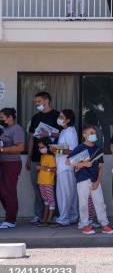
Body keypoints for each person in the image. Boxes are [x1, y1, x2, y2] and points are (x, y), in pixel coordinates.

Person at [69, 125, 113, 235]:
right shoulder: (80, 148)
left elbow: (101, 167)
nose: (93, 135)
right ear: (84, 135)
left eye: (94, 133)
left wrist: (98, 181)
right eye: (91, 133)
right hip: (83, 179)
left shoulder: (98, 149)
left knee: (100, 202)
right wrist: (84, 164)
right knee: (83, 203)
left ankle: (104, 225)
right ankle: (85, 225)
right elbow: (69, 162)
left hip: (95, 180)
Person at [27, 91, 61, 225]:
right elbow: (31, 138)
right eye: (35, 102)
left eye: (38, 101)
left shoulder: (58, 116)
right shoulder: (35, 118)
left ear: (47, 101)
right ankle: (39, 215)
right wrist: (29, 157)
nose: (36, 104)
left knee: (54, 187)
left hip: (54, 157)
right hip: (36, 157)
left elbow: (63, 135)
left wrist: (50, 133)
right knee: (38, 187)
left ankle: (54, 215)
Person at [52, 109, 79, 227]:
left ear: (68, 120)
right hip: (62, 166)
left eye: (62, 117)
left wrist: (56, 150)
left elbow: (73, 150)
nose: (59, 118)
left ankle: (64, 218)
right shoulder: (64, 131)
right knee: (69, 192)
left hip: (66, 167)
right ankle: (72, 216)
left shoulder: (70, 131)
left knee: (64, 193)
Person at [0, 108, 25, 229]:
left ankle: (11, 220)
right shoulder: (3, 129)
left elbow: (20, 148)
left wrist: (2, 149)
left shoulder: (17, 129)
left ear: (10, 117)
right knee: (2, 191)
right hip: (2, 163)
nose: (1, 119)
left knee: (9, 191)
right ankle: (8, 216)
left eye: (2, 117)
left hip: (12, 164)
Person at [36, 138, 57, 227]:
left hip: (48, 182)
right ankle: (44, 219)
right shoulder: (42, 156)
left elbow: (54, 170)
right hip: (41, 182)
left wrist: (42, 168)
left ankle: (48, 219)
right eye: (40, 148)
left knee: (50, 200)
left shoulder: (51, 157)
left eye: (42, 147)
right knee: (45, 200)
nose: (41, 149)